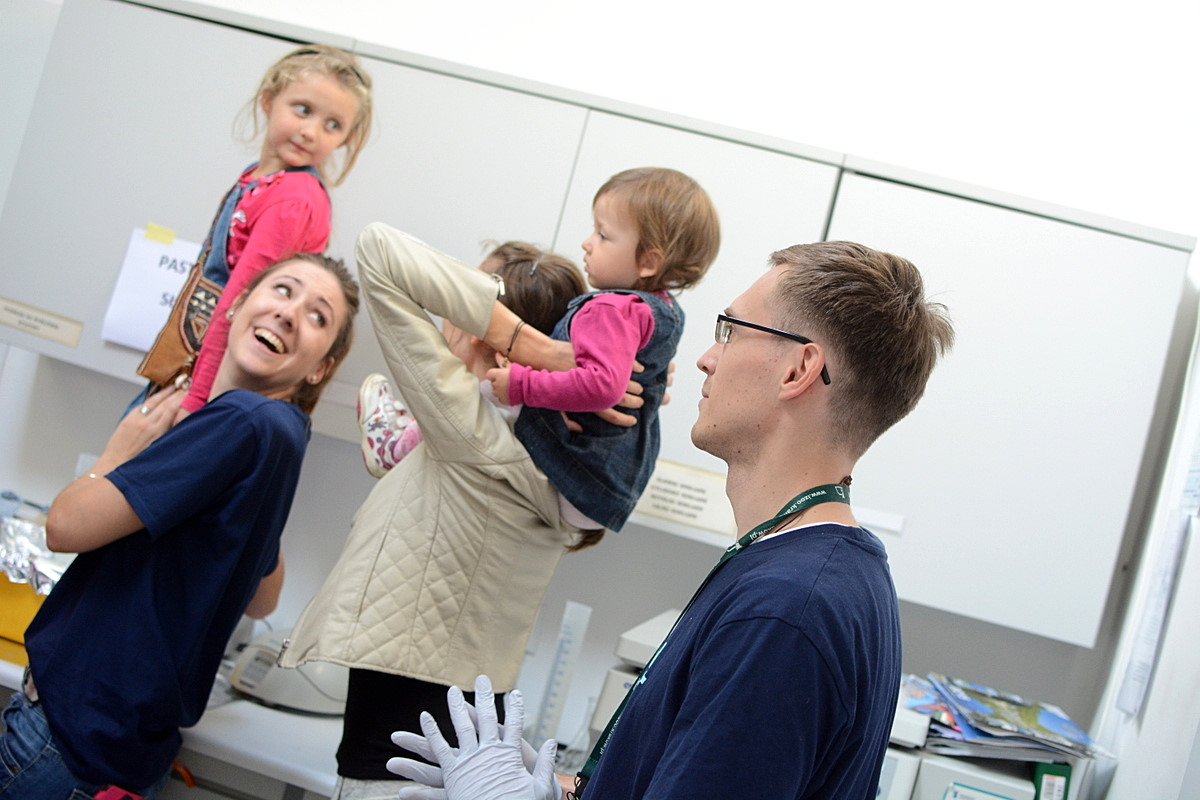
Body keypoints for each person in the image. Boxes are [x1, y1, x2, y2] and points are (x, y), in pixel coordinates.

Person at [386, 240, 956, 800]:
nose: (706, 357)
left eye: (730, 330)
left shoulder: (786, 611)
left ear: (798, 369)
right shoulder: (815, 571)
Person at [0, 254, 360, 799]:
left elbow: (64, 527)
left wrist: (118, 452)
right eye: (284, 290)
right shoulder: (283, 431)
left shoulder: (240, 422)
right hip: (123, 754)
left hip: (63, 742)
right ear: (237, 305)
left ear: (320, 370)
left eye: (318, 316)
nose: (289, 313)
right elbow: (262, 599)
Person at [278, 224, 603, 799]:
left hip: (395, 764)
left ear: (485, 332)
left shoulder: (472, 433)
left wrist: (534, 347)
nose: (447, 314)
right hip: (455, 760)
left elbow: (379, 251)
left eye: (464, 302)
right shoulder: (555, 461)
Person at [139, 44, 373, 417]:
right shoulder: (258, 178)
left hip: (208, 389)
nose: (311, 132)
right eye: (303, 110)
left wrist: (195, 404)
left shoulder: (293, 200)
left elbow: (237, 304)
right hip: (187, 365)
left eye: (333, 125)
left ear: (344, 139)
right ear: (268, 100)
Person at [487, 167, 720, 534]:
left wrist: (521, 384)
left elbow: (601, 387)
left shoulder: (609, 309)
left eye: (603, 234)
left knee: (484, 393)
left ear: (649, 261)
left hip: (577, 468)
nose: (587, 243)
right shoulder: (665, 309)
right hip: (613, 480)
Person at [356, 241, 584, 480]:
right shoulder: (544, 423)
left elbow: (376, 245)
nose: (446, 313)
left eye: (459, 303)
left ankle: (395, 443)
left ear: (482, 328)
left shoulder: (460, 402)